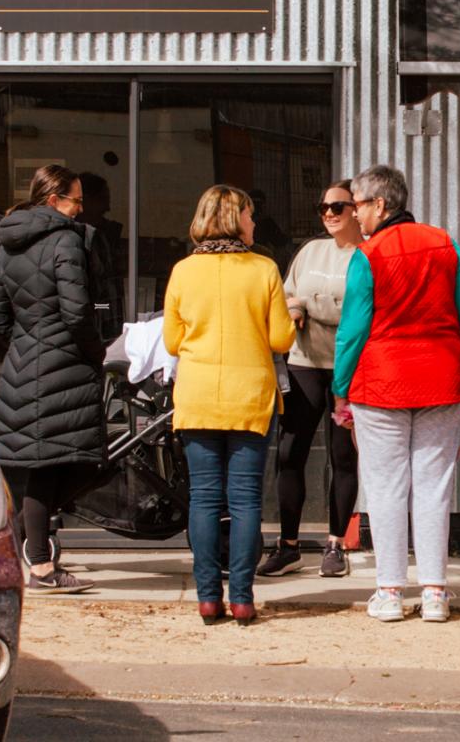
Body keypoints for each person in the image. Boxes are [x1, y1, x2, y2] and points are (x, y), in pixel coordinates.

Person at [332, 164, 460, 624]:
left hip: (380, 383)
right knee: (434, 485)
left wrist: (340, 390)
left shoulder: (369, 255)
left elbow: (352, 331)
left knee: (385, 487)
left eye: (357, 205)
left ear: (380, 205)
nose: (353, 216)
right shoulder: (445, 243)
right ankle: (435, 593)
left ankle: (388, 591)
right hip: (441, 381)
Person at [164, 185, 296, 625]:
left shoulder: (183, 271)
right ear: (235, 218)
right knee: (244, 501)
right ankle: (241, 598)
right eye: (250, 215)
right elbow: (280, 339)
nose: (254, 223)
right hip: (250, 396)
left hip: (198, 396)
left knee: (203, 497)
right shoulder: (263, 269)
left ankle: (206, 597)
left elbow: (172, 341)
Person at [0, 164, 106, 595]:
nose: (81, 209)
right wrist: (97, 351)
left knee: (46, 465)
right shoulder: (66, 240)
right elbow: (77, 311)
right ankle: (40, 566)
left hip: (24, 361)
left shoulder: (7, 245)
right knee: (62, 465)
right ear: (54, 201)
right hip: (65, 361)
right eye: (76, 200)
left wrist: (26, 344)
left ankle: (23, 546)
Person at [257, 180, 364, 579]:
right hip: (304, 361)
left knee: (343, 456)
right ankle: (288, 545)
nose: (329, 214)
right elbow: (287, 294)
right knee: (290, 453)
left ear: (358, 209)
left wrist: (318, 309)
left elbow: (364, 311)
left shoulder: (368, 254)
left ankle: (336, 544)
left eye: (338, 207)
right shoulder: (309, 251)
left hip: (348, 367)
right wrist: (298, 307)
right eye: (323, 208)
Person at [75, 171, 126, 342]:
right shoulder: (73, 241)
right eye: (103, 199)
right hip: (93, 325)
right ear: (86, 201)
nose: (108, 208)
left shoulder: (102, 236)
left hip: (108, 322)